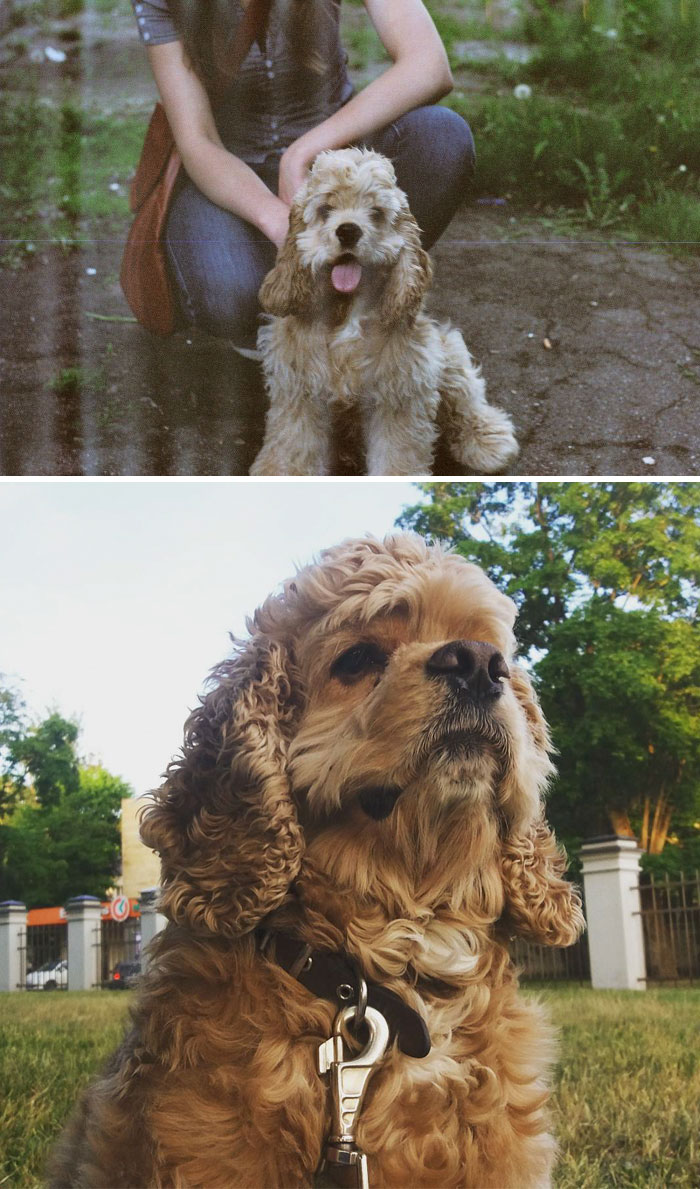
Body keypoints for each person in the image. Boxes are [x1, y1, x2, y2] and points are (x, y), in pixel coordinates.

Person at [131, 0, 475, 351]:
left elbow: (429, 66)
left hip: (337, 165)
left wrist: (301, 154)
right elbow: (198, 141)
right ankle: (278, 326)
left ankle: (362, 297)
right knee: (230, 293)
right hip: (229, 183)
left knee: (442, 138)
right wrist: (282, 222)